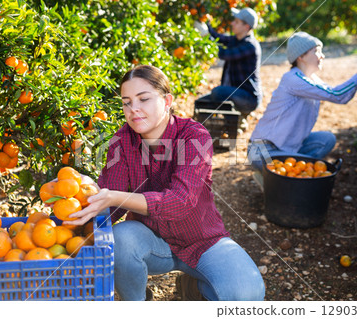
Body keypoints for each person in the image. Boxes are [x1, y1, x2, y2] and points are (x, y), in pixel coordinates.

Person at [64, 65, 265, 301]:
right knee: (119, 240)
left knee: (246, 295)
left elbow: (181, 201)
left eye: (143, 99)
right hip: (150, 240)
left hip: (202, 242)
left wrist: (116, 196)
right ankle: (137, 302)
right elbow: (111, 206)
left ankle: (196, 287)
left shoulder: (194, 137)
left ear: (167, 100)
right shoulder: (121, 141)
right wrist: (78, 197)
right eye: (126, 101)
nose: (133, 109)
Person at [247, 31, 357, 187]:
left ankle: (280, 177)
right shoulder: (293, 79)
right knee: (289, 172)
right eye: (316, 51)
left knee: (326, 140)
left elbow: (342, 94)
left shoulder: (311, 80)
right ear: (300, 57)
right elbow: (338, 95)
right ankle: (274, 181)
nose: (322, 55)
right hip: (262, 151)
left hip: (287, 149)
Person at [199, 7, 262, 117]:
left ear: (246, 26)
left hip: (248, 98)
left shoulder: (250, 46)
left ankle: (236, 120)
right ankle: (236, 119)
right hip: (235, 93)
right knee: (201, 103)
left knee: (218, 93)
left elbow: (224, 54)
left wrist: (206, 36)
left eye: (237, 22)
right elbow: (219, 38)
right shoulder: (236, 40)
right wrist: (206, 25)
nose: (232, 23)